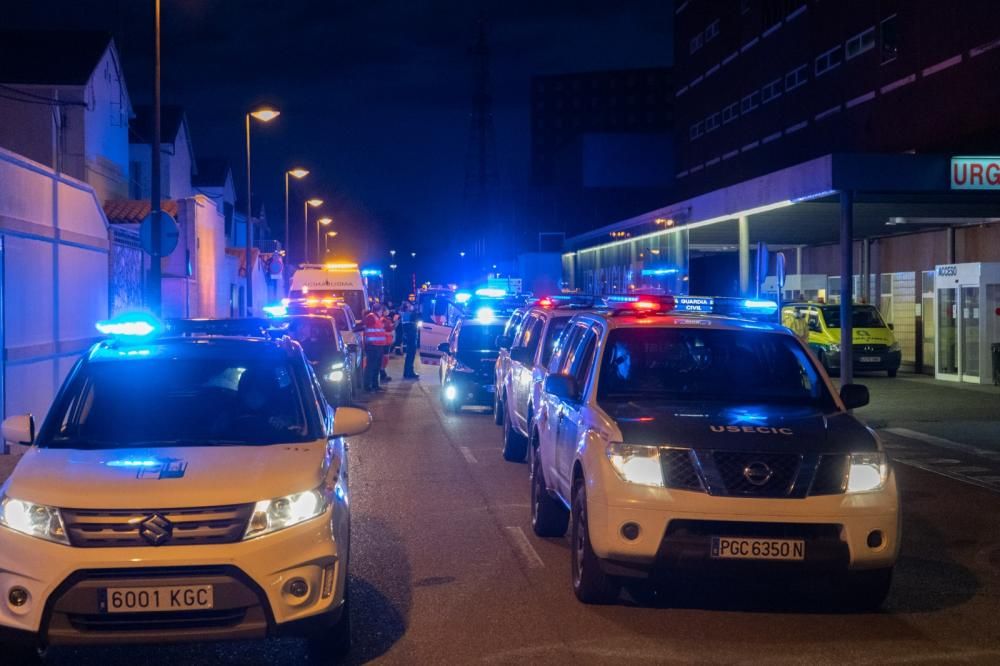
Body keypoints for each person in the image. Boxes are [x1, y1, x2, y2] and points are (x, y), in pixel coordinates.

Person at [363, 304, 389, 392]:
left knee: (377, 366)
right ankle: (368, 386)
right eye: (382, 310)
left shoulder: (377, 318)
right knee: (371, 366)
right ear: (379, 310)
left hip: (378, 346)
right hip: (373, 346)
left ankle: (375, 385)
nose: (382, 312)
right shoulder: (371, 317)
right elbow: (365, 327)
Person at [400, 299, 420, 379]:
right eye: (410, 305)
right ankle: (409, 372)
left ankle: (407, 372)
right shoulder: (409, 314)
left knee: (409, 355)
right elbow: (416, 319)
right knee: (410, 355)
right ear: (407, 307)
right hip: (411, 338)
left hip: (409, 337)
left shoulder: (405, 314)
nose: (412, 306)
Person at [380, 308, 398, 382]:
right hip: (384, 341)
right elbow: (388, 328)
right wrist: (395, 322)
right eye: (386, 310)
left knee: (385, 359)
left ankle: (383, 373)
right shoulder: (383, 320)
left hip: (387, 341)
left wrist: (395, 322)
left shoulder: (387, 319)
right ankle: (382, 374)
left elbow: (391, 327)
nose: (388, 311)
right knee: (384, 359)